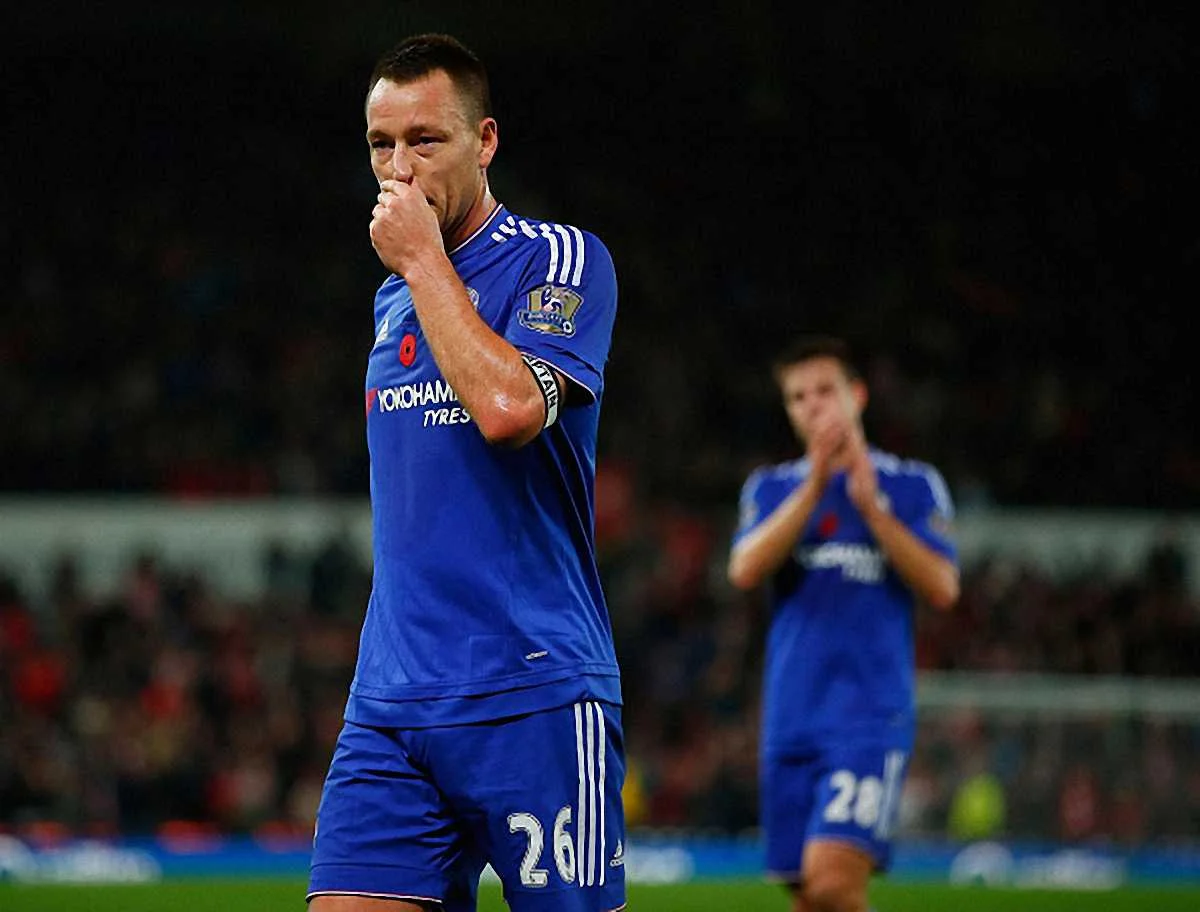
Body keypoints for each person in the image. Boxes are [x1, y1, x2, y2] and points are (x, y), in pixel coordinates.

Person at [308, 34, 625, 912]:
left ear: (484, 141)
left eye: (425, 140)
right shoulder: (392, 300)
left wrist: (422, 261)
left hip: (534, 691)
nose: (398, 168)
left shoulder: (558, 260)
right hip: (392, 702)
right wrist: (417, 274)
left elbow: (511, 410)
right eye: (381, 144)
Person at [727, 336, 959, 912]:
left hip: (867, 715)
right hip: (791, 716)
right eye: (798, 396)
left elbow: (943, 585)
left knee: (832, 883)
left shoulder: (911, 484)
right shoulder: (772, 488)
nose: (813, 406)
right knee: (809, 896)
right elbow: (744, 569)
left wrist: (873, 510)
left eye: (825, 391)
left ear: (858, 395)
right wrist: (814, 487)